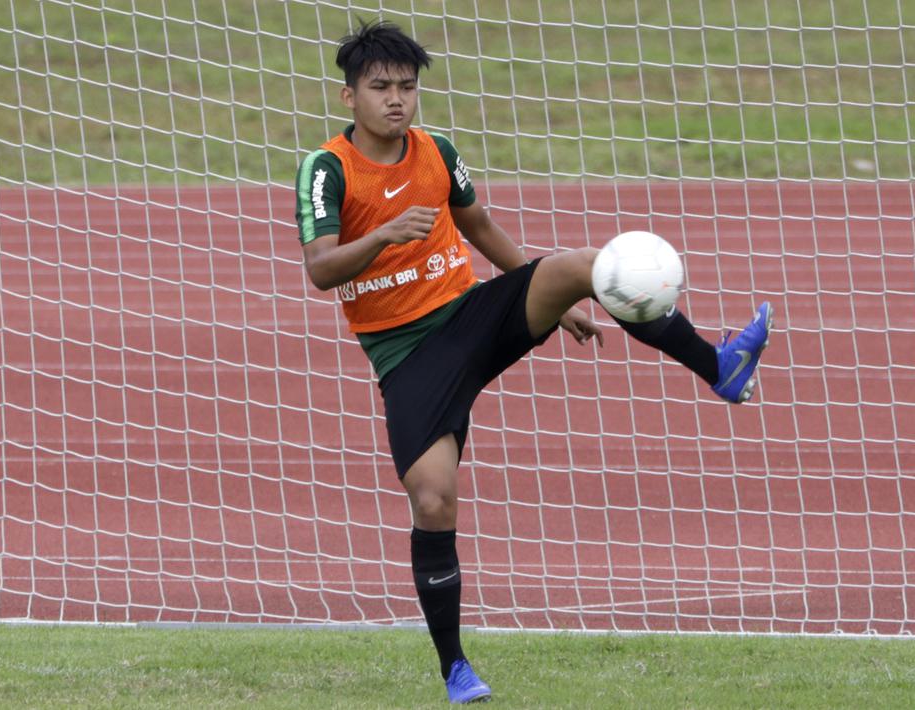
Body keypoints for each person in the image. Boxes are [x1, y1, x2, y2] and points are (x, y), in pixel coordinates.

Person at [294, 20, 772, 704]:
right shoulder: (327, 169)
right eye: (380, 88)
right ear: (349, 98)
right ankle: (455, 667)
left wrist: (556, 297)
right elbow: (319, 269)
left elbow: (479, 225)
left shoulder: (436, 150)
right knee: (432, 499)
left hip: (470, 319)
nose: (396, 100)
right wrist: (382, 237)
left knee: (584, 267)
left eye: (406, 87)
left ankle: (717, 366)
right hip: (405, 355)